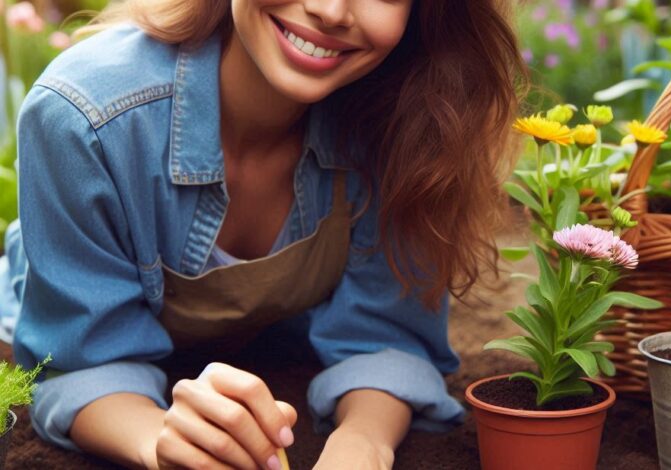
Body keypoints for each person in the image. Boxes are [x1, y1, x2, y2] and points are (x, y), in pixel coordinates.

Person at [0, 0, 524, 468]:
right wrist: (160, 440)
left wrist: (361, 445)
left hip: (273, 339)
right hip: (60, 326)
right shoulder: (83, 116)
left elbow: (386, 338)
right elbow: (80, 361)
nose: (331, 11)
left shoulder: (410, 118)